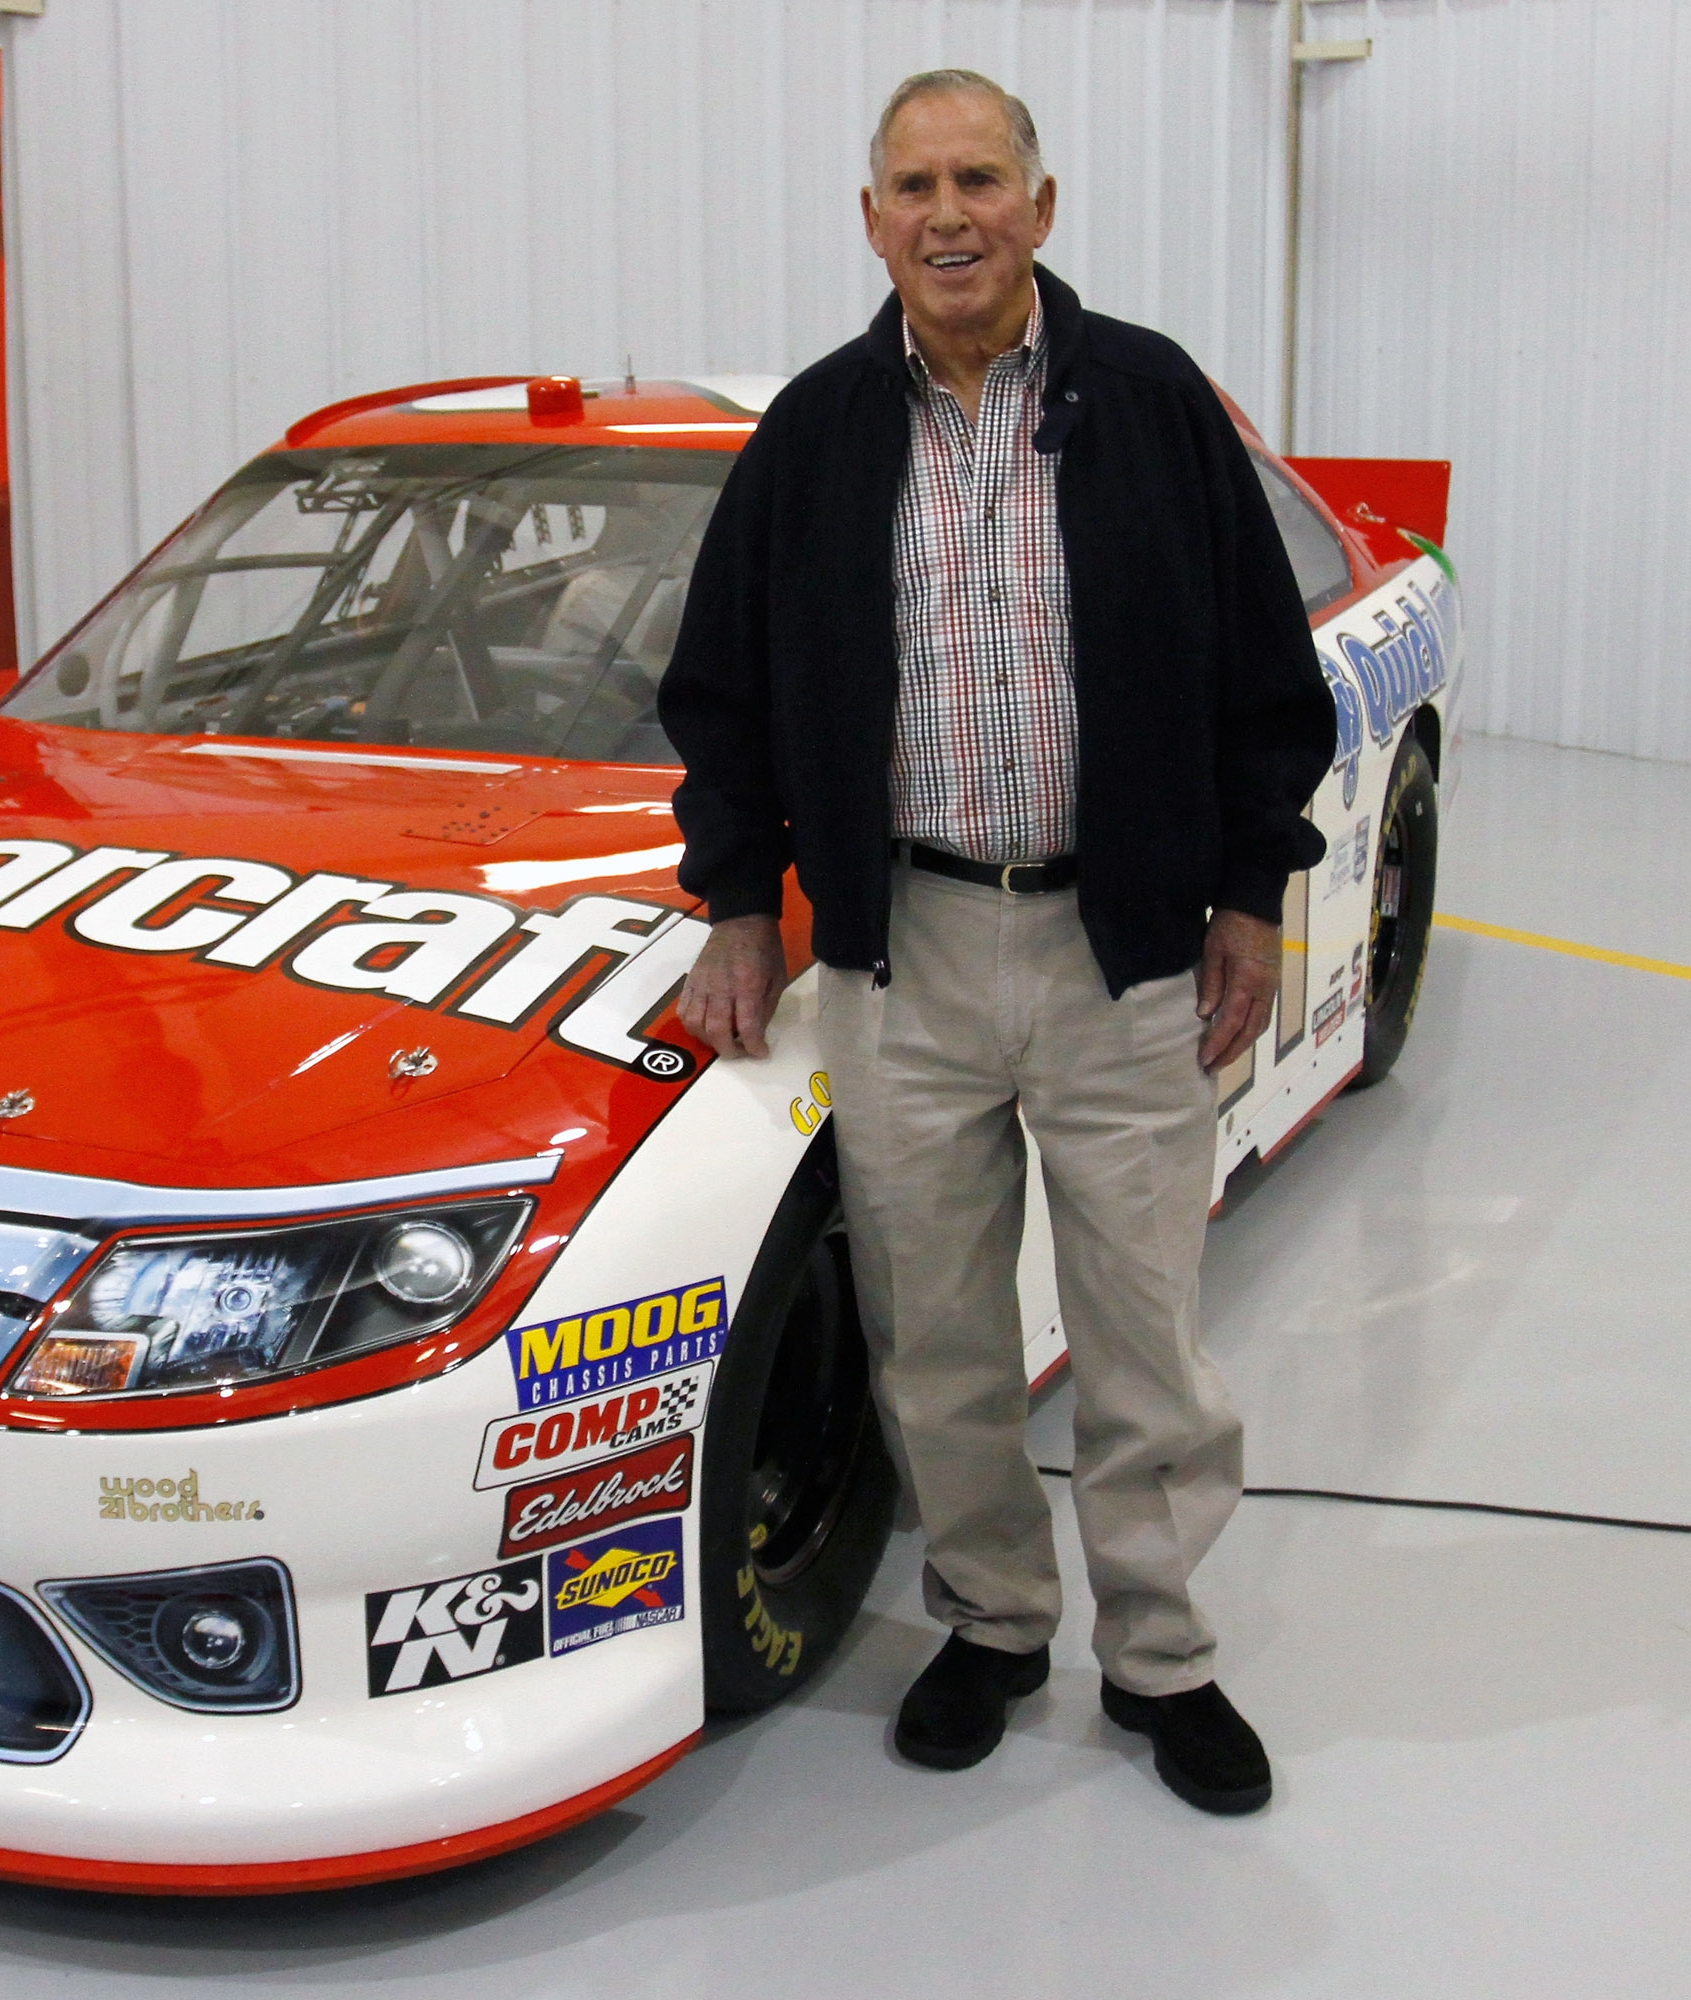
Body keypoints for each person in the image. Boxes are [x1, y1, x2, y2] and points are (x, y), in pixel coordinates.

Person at [657, 69, 1333, 1816]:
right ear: (869, 220)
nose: (946, 214)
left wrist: (1248, 894)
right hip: (906, 957)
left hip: (1122, 955)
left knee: (1144, 1336)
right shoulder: (815, 435)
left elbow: (1270, 678)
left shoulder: (1153, 403)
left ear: (1041, 208)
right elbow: (719, 691)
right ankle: (992, 1623)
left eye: (979, 180)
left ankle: (1165, 1657)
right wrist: (741, 905)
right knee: (936, 1332)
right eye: (912, 186)